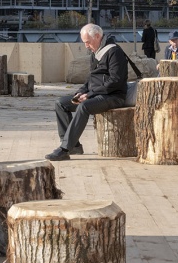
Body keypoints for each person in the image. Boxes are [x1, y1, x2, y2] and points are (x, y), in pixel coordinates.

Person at [48, 23, 128, 161]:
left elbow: (116, 81)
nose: (86, 46)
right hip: (96, 95)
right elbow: (92, 78)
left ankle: (65, 149)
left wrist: (90, 95)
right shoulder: (95, 53)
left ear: (97, 36)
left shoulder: (115, 52)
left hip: (114, 96)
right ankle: (74, 146)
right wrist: (81, 92)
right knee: (60, 103)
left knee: (84, 107)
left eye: (88, 42)